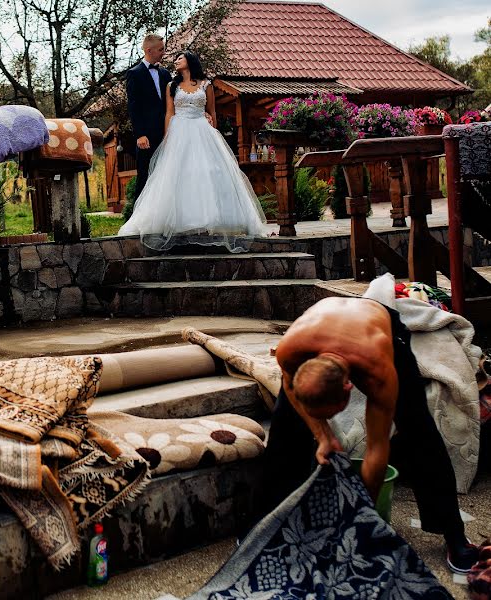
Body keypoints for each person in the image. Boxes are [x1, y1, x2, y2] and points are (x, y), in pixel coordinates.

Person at [260, 296, 478, 574]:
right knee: (284, 424)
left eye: (331, 414)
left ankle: (455, 536)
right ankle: (265, 524)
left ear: (351, 388)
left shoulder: (378, 372)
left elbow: (377, 448)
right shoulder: (289, 352)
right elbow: (292, 390)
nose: (328, 420)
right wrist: (323, 435)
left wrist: (362, 521)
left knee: (418, 427)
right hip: (320, 325)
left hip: (378, 328)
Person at [119, 51, 266, 252]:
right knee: (178, 174)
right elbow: (169, 113)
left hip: (201, 129)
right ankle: (180, 222)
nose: (176, 61)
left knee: (207, 172)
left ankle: (210, 218)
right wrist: (167, 137)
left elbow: (212, 111)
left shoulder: (206, 85)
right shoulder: (171, 85)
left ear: (190, 61)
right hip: (179, 130)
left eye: (180, 58)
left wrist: (214, 131)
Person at [126, 33, 171, 198]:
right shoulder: (134, 74)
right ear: (149, 50)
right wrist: (140, 134)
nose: (163, 53)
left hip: (167, 132)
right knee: (144, 176)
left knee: (165, 175)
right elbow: (133, 106)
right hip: (146, 136)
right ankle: (137, 219)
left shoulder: (165, 74)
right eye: (161, 49)